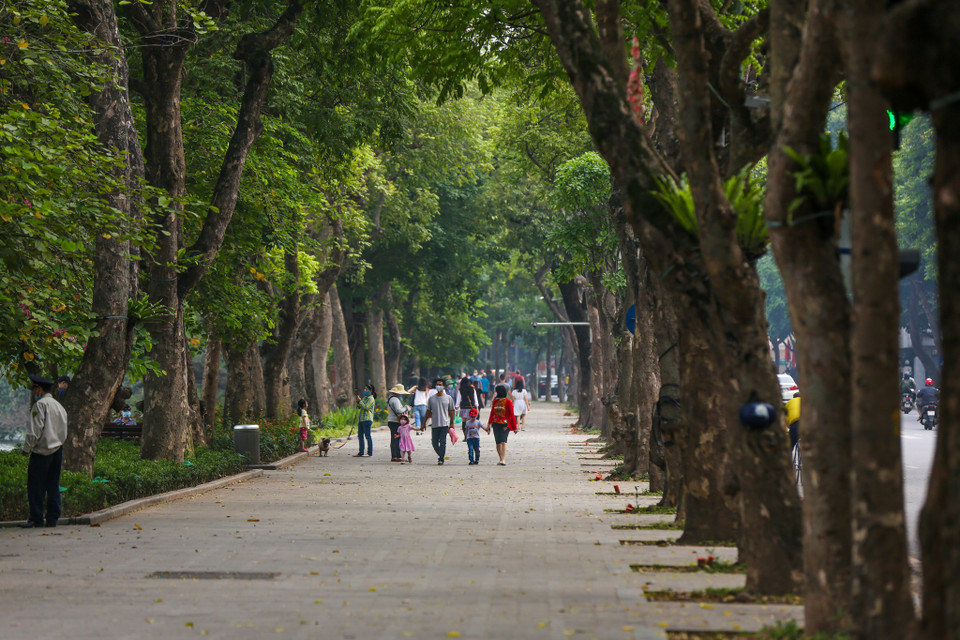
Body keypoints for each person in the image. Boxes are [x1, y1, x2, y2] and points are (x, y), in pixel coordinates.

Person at [21, 375, 68, 528]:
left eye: (34, 388)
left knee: (36, 486)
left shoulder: (39, 405)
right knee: (53, 484)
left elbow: (34, 430)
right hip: (57, 450)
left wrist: (26, 448)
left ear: (39, 389)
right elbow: (64, 432)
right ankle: (53, 518)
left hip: (41, 452)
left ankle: (36, 518)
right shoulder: (59, 407)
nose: (34, 392)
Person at [425, 377, 455, 465]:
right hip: (434, 424)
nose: (439, 386)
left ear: (444, 386)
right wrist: (424, 424)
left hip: (444, 423)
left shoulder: (448, 398)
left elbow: (451, 411)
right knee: (434, 443)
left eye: (440, 385)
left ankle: (441, 458)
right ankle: (441, 455)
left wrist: (452, 423)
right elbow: (428, 412)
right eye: (437, 385)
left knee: (443, 442)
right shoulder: (431, 399)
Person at [488, 385, 517, 466]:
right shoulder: (495, 402)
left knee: (503, 441)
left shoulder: (508, 402)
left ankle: (503, 459)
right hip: (496, 424)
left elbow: (511, 414)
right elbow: (492, 413)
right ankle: (500, 458)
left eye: (496, 391)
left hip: (505, 424)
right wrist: (488, 425)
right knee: (498, 443)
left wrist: (515, 427)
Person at [386, 384, 411, 462]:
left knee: (394, 439)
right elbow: (398, 410)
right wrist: (406, 408)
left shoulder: (390, 398)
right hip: (395, 422)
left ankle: (394, 456)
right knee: (397, 439)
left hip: (391, 421)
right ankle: (398, 456)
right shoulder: (395, 400)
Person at [355, 384, 376, 457]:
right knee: (360, 436)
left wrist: (360, 401)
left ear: (371, 391)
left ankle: (369, 452)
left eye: (367, 389)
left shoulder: (371, 399)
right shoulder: (365, 398)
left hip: (367, 419)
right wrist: (358, 401)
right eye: (365, 389)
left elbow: (366, 407)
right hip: (361, 419)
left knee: (367, 436)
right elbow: (359, 407)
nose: (365, 390)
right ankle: (361, 452)